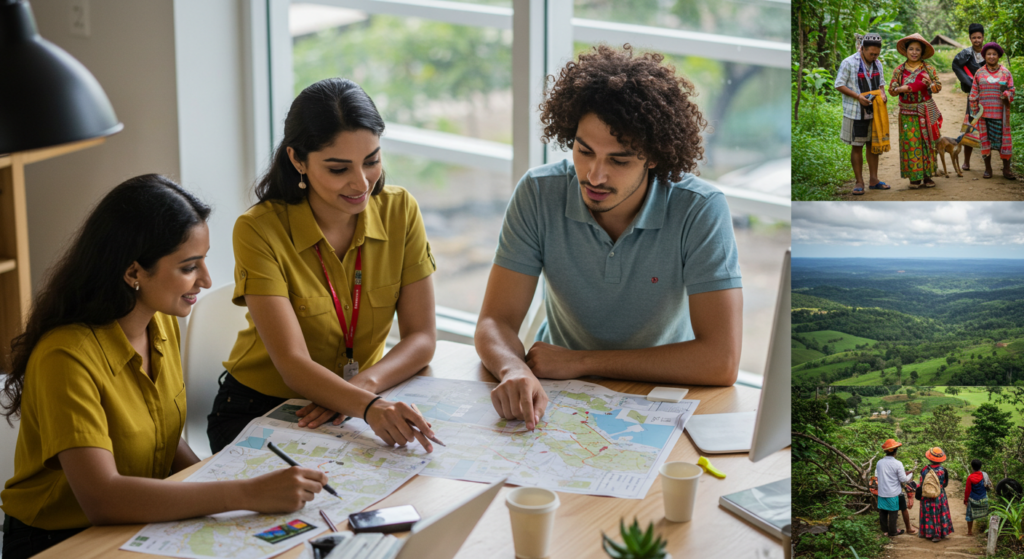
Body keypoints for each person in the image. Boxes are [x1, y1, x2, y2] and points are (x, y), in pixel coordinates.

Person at [0, 176, 328, 559]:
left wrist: (226, 481)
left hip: (141, 523)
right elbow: (102, 499)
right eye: (190, 266)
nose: (205, 279)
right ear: (134, 272)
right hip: (62, 541)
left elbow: (164, 438)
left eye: (203, 261)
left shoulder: (161, 322)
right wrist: (243, 493)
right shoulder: (65, 357)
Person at [475, 45, 743, 431]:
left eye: (619, 160)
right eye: (584, 151)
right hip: (559, 392)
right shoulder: (538, 192)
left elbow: (721, 361)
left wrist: (583, 361)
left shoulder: (699, 208)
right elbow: (494, 321)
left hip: (663, 394)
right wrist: (513, 368)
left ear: (653, 156)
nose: (595, 176)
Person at [207, 78, 439, 454]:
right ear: (297, 159)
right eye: (338, 169)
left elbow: (422, 338)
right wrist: (365, 406)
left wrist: (362, 389)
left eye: (372, 161)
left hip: (359, 401)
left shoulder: (401, 210)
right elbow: (292, 363)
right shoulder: (257, 230)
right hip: (262, 408)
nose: (361, 182)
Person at [835, 32, 890, 195]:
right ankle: (859, 181)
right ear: (862, 49)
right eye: (871, 53)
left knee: (873, 146)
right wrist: (858, 96)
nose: (874, 57)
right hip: (855, 111)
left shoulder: (877, 63)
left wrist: (883, 93)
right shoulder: (849, 63)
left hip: (875, 111)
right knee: (857, 145)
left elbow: (881, 84)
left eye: (877, 54)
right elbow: (839, 84)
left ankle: (874, 180)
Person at [888, 34, 943, 189]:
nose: (914, 52)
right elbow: (891, 90)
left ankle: (927, 176)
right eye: (911, 49)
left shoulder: (928, 68)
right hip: (907, 113)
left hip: (925, 110)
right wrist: (901, 89)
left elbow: (938, 87)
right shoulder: (899, 70)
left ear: (922, 52)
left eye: (917, 49)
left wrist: (930, 84)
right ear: (906, 51)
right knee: (911, 143)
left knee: (928, 143)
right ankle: (914, 177)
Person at [968, 42, 1016, 180]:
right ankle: (988, 169)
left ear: (998, 56)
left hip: (1001, 114)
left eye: (994, 54)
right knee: (985, 140)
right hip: (984, 114)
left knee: (1004, 141)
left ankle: (1006, 170)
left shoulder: (1005, 72)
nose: (991, 56)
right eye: (988, 54)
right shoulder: (979, 72)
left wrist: (1006, 95)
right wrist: (974, 111)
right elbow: (974, 92)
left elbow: (1012, 90)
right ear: (984, 56)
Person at [951, 23, 986, 170]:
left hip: (989, 96)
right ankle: (966, 161)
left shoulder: (989, 52)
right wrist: (968, 82)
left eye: (979, 37)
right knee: (970, 125)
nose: (977, 40)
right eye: (974, 38)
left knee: (987, 127)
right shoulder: (965, 53)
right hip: (972, 97)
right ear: (970, 38)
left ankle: (988, 165)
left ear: (983, 37)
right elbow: (955, 65)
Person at [875, 439, 917, 537]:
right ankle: (893, 531)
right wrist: (909, 475)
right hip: (893, 493)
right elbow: (903, 479)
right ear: (895, 451)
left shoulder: (879, 462)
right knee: (893, 512)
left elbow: (878, 475)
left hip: (881, 492)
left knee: (883, 512)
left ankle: (885, 531)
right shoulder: (897, 463)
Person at [919, 447, 954, 543]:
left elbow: (921, 483)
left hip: (926, 495)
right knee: (939, 513)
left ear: (929, 458)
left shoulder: (924, 470)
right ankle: (938, 534)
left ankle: (926, 532)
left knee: (928, 513)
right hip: (940, 495)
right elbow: (945, 484)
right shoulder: (943, 470)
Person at [964, 459, 993, 535]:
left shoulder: (970, 477)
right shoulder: (984, 475)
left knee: (970, 515)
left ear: (972, 467)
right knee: (986, 513)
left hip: (973, 499)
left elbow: (967, 490)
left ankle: (970, 531)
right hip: (983, 498)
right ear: (980, 466)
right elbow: (989, 485)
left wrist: (965, 500)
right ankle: (986, 530)